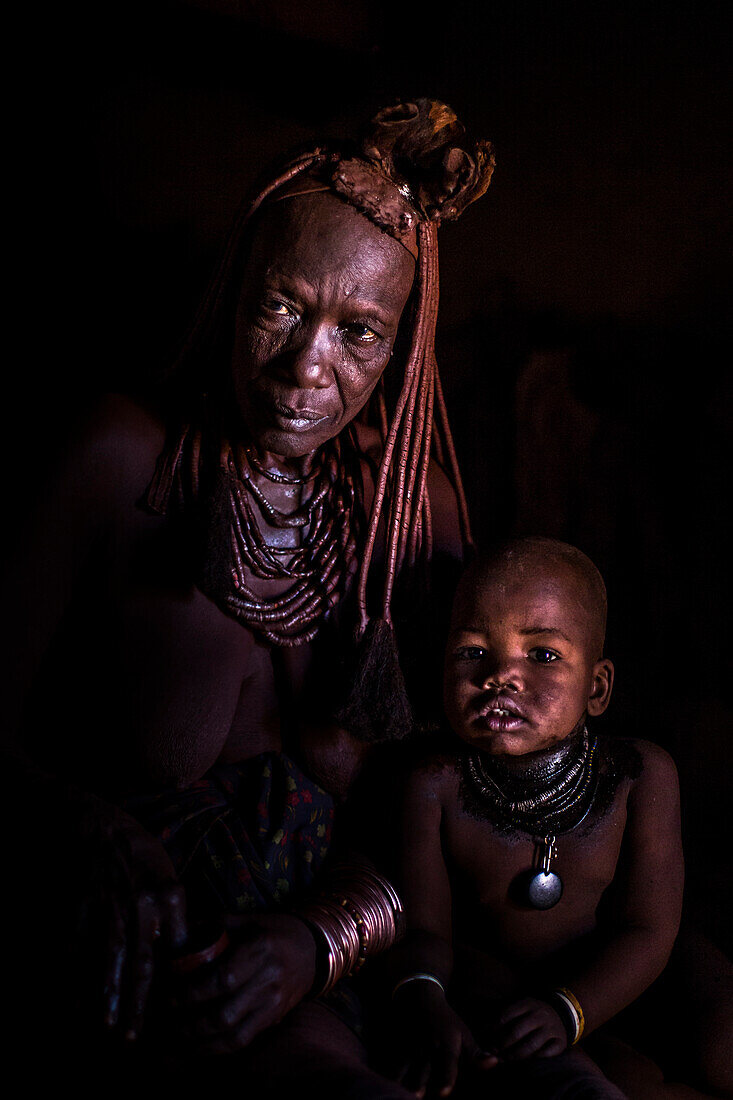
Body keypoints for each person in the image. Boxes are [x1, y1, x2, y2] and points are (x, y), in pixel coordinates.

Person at [1, 99, 494, 1092]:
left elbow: (474, 801)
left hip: (342, 969)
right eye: (281, 306)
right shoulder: (122, 459)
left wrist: (323, 939)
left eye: (359, 330)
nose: (307, 366)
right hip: (138, 965)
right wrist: (85, 826)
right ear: (234, 291)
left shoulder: (413, 515)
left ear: (403, 344)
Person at [387, 536, 684, 1099]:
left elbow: (648, 931)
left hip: (604, 990)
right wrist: (424, 999)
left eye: (542, 655)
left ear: (597, 688)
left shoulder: (640, 776)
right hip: (496, 998)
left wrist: (568, 1009)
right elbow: (425, 932)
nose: (501, 676)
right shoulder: (434, 786)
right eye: (473, 651)